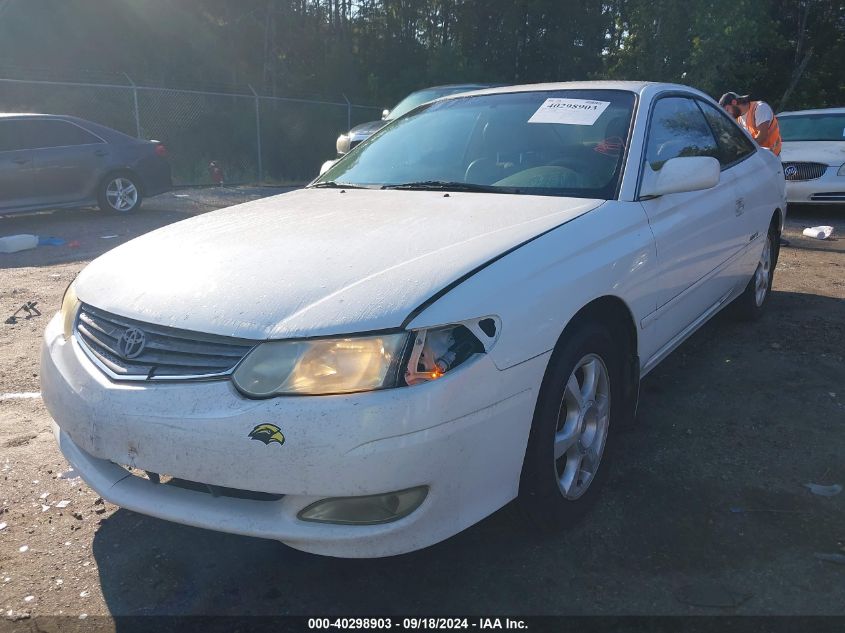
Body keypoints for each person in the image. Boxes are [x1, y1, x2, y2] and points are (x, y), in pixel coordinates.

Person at [718, 92, 782, 156]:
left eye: (727, 109)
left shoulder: (760, 108)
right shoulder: (739, 119)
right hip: (760, 157)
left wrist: (746, 151)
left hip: (772, 156)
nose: (728, 114)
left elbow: (762, 136)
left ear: (734, 102)